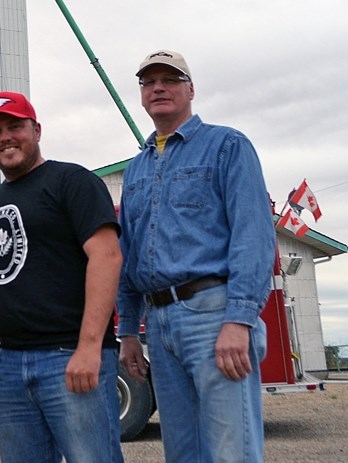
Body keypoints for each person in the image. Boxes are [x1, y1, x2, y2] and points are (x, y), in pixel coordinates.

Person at [0, 91, 125, 463]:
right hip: (11, 364)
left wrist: (89, 347)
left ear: (37, 130)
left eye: (16, 126)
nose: (6, 137)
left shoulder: (72, 181)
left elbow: (108, 257)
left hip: (69, 356)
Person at [117, 50, 276, 463]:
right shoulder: (137, 168)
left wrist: (239, 320)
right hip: (160, 323)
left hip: (213, 315)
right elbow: (129, 253)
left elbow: (253, 235)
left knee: (230, 452)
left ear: (191, 89)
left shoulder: (227, 146)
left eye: (170, 79)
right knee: (182, 454)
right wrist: (129, 331)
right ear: (141, 95)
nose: (158, 88)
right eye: (149, 82)